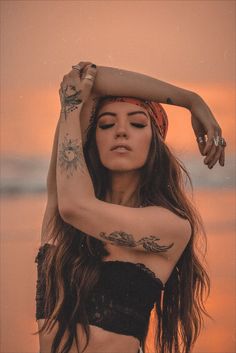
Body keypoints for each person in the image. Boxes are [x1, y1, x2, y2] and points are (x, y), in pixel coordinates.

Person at [35, 61, 226, 353]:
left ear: (154, 143)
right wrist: (189, 99)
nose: (120, 131)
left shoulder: (171, 226)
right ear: (90, 138)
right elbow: (87, 77)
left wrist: (192, 101)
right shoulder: (61, 213)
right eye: (106, 124)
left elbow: (76, 207)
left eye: (137, 123)